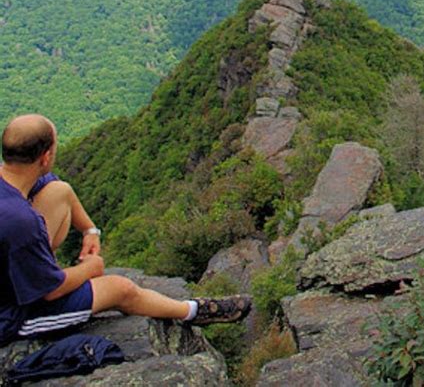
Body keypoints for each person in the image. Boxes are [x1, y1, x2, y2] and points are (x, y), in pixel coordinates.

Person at [0, 114, 251, 345]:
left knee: (59, 191)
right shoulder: (23, 222)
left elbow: (55, 186)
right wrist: (89, 268)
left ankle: (38, 266)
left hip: (15, 268)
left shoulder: (11, 183)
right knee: (122, 289)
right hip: (12, 316)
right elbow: (50, 291)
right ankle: (193, 311)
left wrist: (90, 230)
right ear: (45, 157)